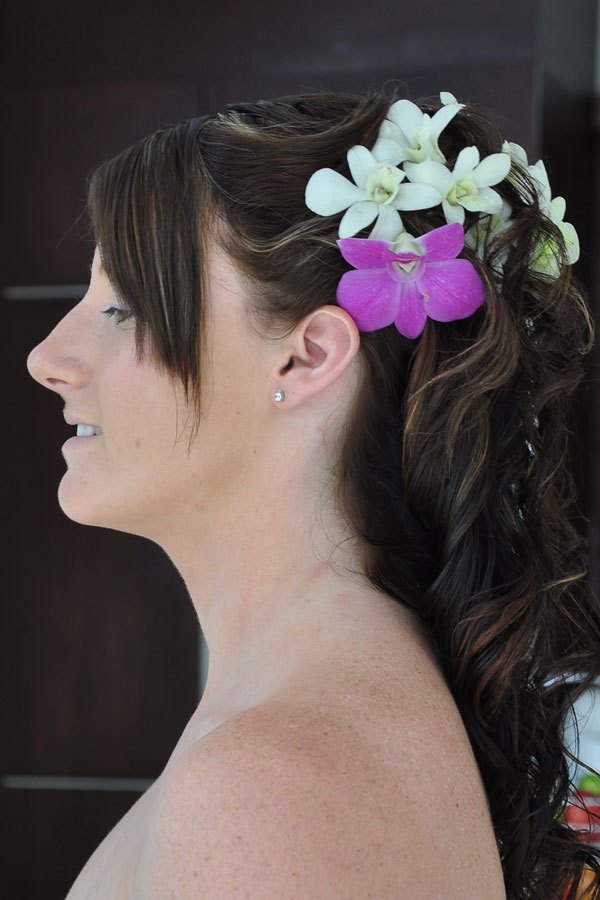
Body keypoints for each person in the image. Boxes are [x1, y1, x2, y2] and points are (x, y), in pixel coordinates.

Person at [26, 88, 600, 899]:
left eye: (123, 308)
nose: (46, 359)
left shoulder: (275, 781)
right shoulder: (295, 729)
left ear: (306, 358)